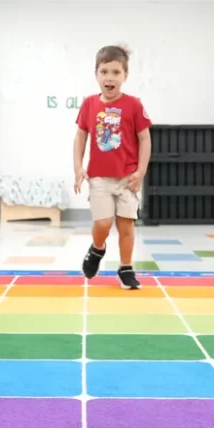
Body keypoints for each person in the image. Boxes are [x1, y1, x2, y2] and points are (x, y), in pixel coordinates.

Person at [73, 44, 152, 290]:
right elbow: (80, 137)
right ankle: (98, 248)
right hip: (99, 177)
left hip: (127, 177)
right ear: (96, 74)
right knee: (103, 224)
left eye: (116, 72)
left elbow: (145, 138)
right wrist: (78, 168)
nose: (109, 78)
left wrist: (140, 171)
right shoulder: (89, 104)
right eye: (104, 72)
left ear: (125, 76)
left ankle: (126, 268)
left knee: (126, 225)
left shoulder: (134, 105)